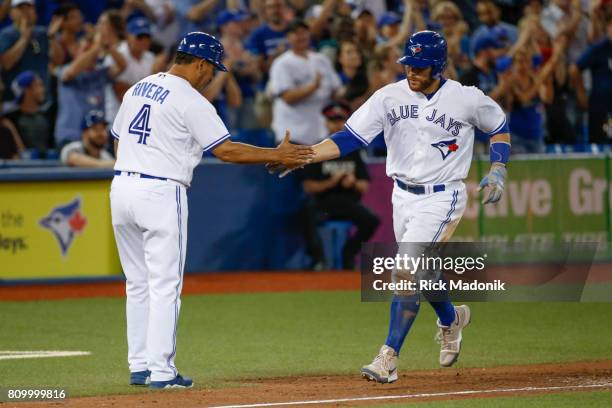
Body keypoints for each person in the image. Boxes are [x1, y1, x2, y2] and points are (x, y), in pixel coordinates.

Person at [270, 30, 511, 383]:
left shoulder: (465, 98)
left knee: (405, 271)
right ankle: (451, 318)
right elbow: (349, 138)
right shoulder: (388, 96)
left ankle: (388, 357)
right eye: (408, 64)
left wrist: (498, 167)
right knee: (422, 272)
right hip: (403, 196)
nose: (412, 71)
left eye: (420, 66)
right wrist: (305, 156)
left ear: (438, 66)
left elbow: (499, 124)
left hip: (443, 196)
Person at [110, 31, 313, 389]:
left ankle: (140, 365)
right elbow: (226, 150)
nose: (212, 76)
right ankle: (161, 371)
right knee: (164, 285)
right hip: (159, 190)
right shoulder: (191, 100)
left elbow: (117, 137)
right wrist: (275, 154)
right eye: (212, 69)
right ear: (200, 64)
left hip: (121, 185)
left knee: (137, 283)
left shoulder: (138, 87)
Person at [302, 102, 379, 270]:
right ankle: (318, 260)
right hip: (324, 203)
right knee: (305, 214)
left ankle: (348, 253)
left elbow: (364, 186)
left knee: (372, 220)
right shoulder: (316, 149)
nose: (336, 124)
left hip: (348, 202)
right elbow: (308, 186)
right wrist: (332, 181)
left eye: (340, 120)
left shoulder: (353, 151)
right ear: (326, 122)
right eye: (332, 120)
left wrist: (353, 182)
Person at [54, 19, 127, 147]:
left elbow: (122, 66)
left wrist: (108, 47)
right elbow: (70, 73)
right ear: (77, 52)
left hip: (98, 139)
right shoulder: (66, 69)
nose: (90, 54)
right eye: (85, 50)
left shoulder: (101, 71)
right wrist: (96, 47)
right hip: (71, 136)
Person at [268, 19, 341, 145]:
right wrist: (313, 87)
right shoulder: (282, 63)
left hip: (321, 132)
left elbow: (336, 91)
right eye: (296, 33)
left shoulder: (321, 60)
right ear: (288, 37)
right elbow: (288, 97)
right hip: (292, 134)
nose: (301, 36)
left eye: (304, 32)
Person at [0, 0, 61, 101]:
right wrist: (24, 39)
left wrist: (52, 37)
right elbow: (6, 63)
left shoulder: (43, 33)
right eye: (20, 8)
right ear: (11, 13)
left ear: (35, 12)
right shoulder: (6, 35)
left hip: (44, 99)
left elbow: (58, 61)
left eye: (29, 8)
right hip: (15, 102)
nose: (25, 11)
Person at [571, 9, 612, 144]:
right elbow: (575, 69)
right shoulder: (599, 48)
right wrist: (581, 93)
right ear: (608, 26)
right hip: (601, 108)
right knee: (601, 145)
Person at [7, 70, 52, 154]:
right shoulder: (11, 120)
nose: (43, 90)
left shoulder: (48, 115)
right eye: (39, 85)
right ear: (27, 90)